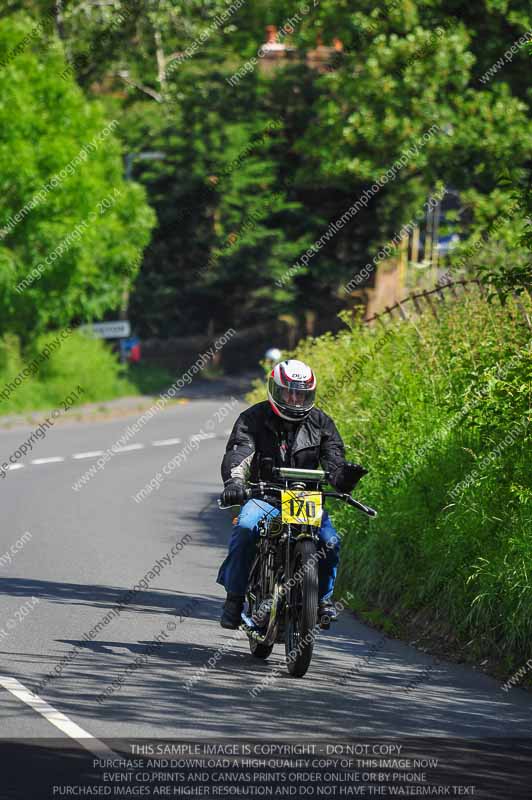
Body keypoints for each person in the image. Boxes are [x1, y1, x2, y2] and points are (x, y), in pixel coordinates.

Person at [217, 359, 367, 629]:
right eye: (290, 393)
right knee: (246, 527)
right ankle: (235, 597)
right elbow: (240, 452)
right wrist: (235, 482)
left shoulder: (321, 422)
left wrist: (345, 477)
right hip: (265, 496)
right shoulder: (252, 419)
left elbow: (334, 461)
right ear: (276, 390)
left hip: (304, 499)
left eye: (302, 394)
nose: (296, 400)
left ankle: (322, 601)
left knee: (330, 540)